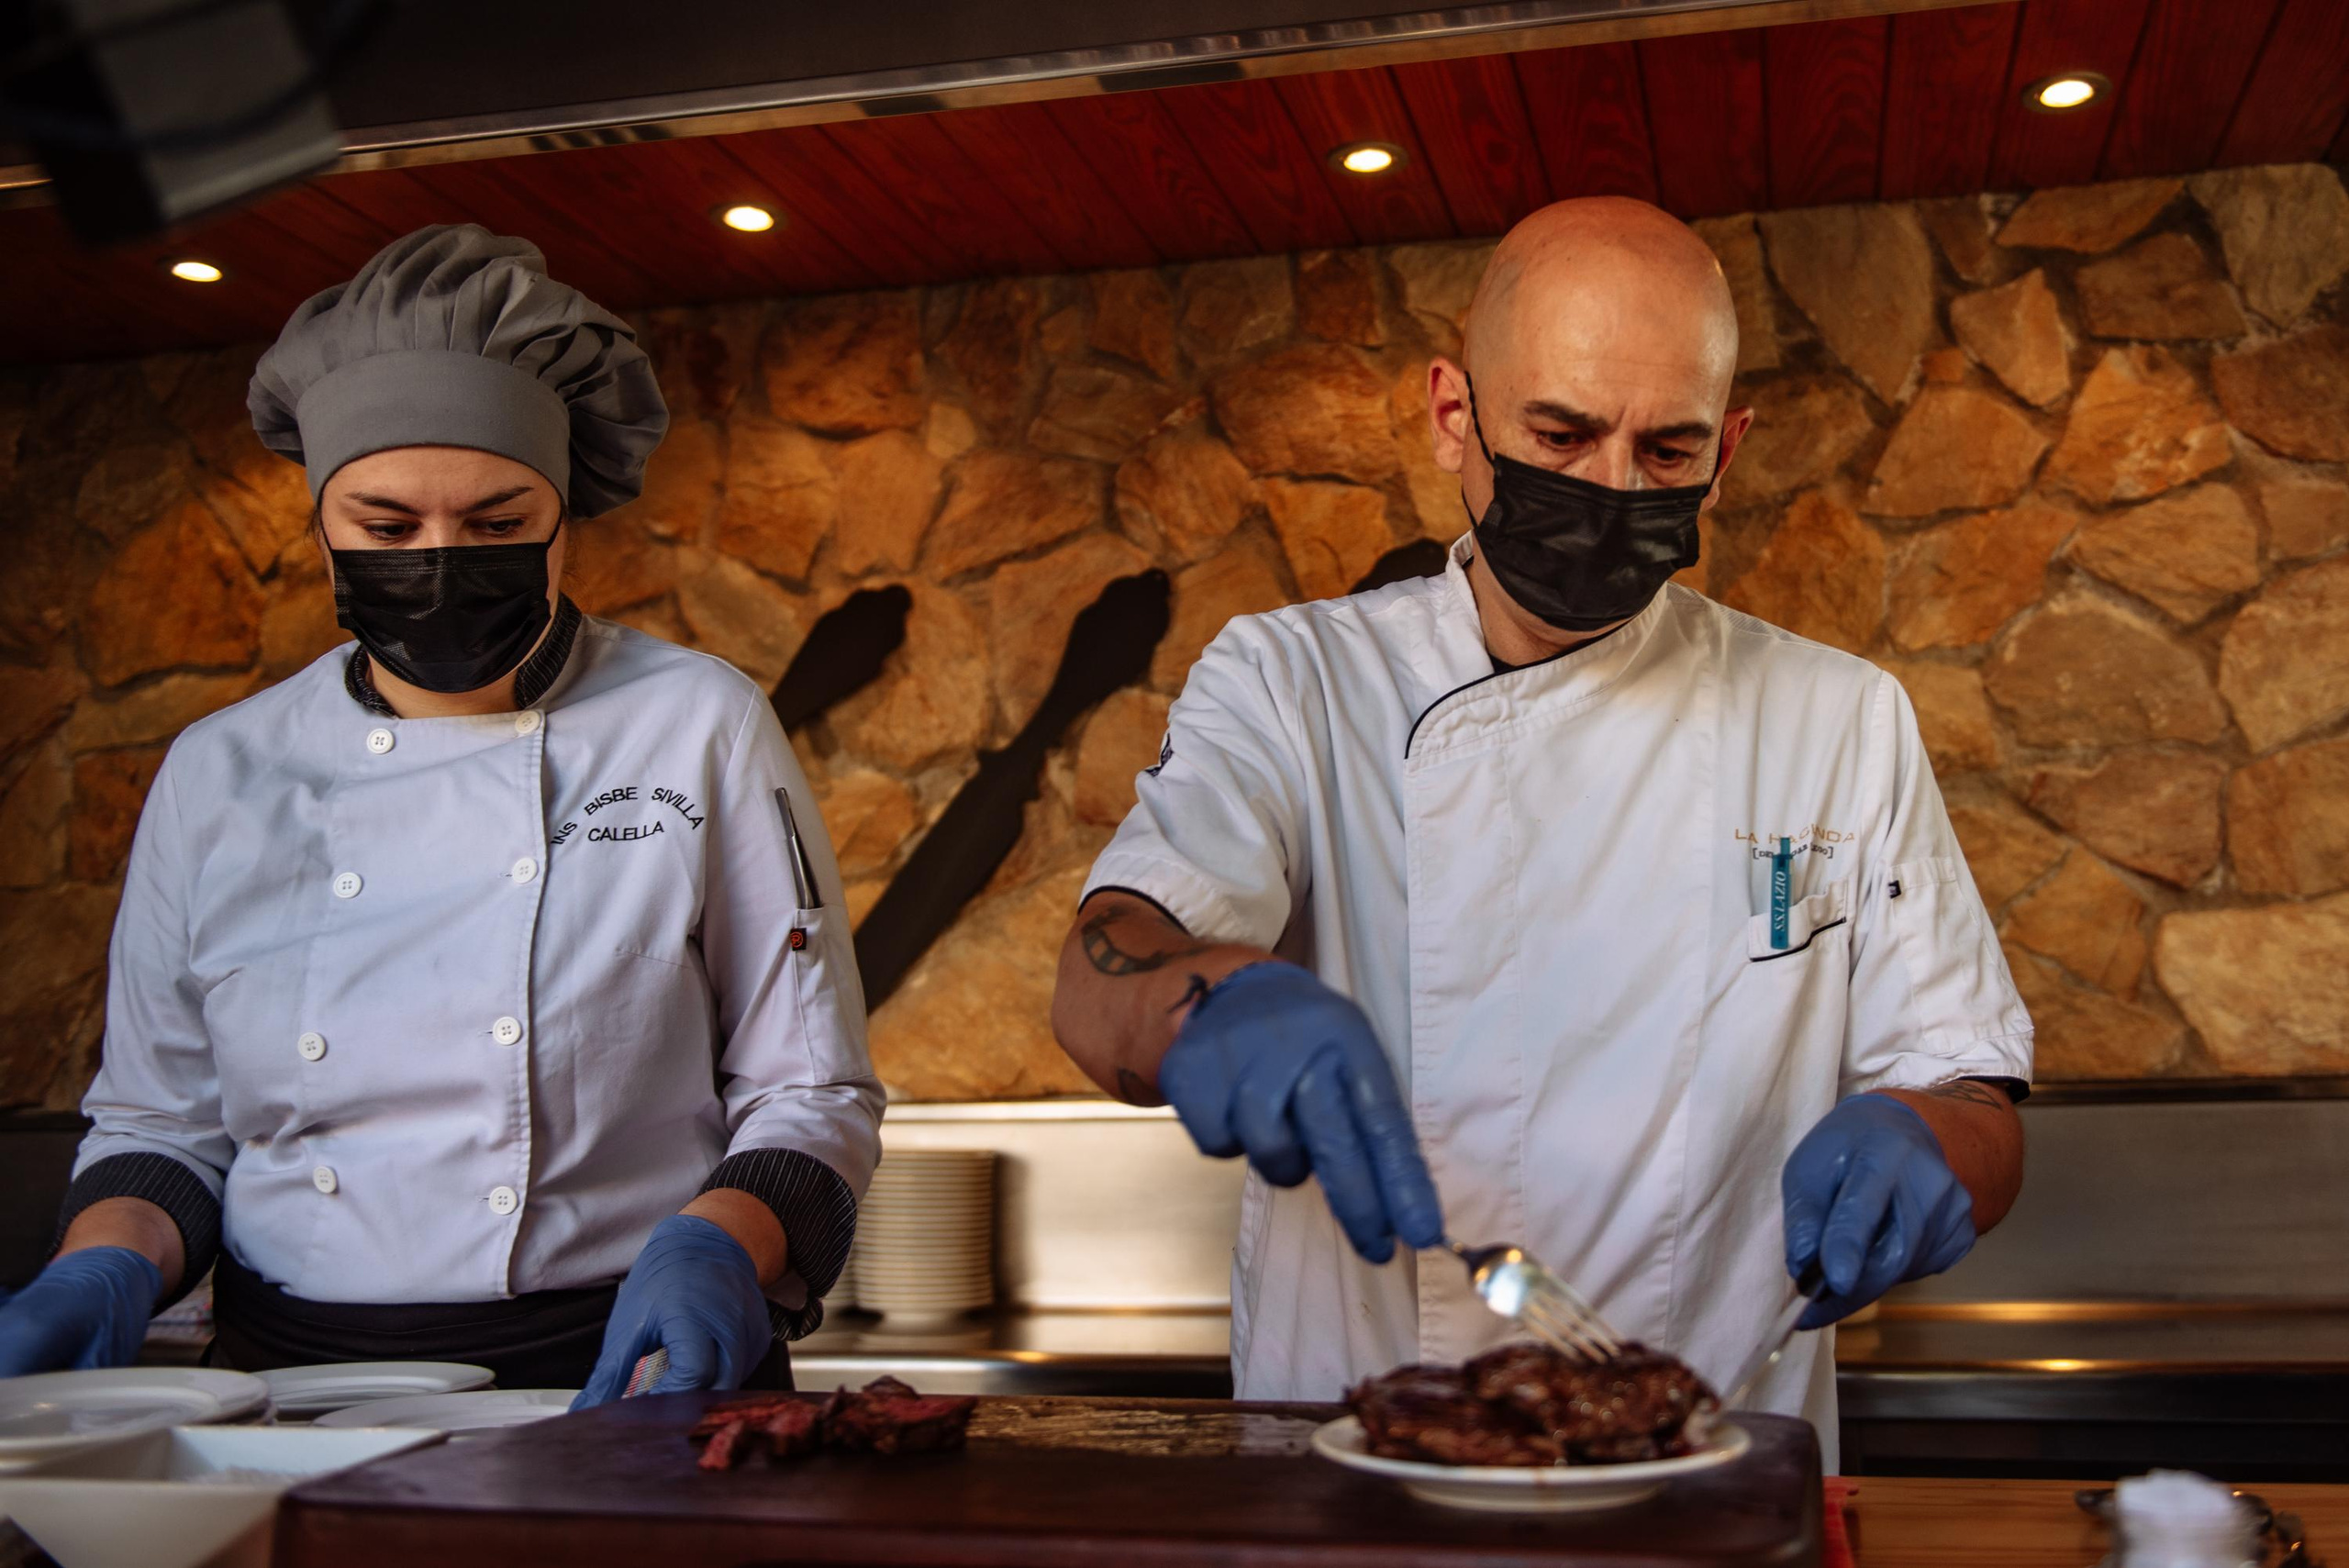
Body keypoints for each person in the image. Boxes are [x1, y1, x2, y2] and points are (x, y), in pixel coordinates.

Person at [1052, 196, 2030, 1462]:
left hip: (1703, 1480)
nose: (1612, 489)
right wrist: (1208, 1002)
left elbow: (1978, 1098)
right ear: (1454, 411)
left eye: (1668, 452)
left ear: (1730, 444)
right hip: (1355, 1482)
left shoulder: (1838, 718)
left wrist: (1934, 1145)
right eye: (1560, 433)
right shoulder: (1295, 681)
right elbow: (1101, 971)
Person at [0, 227, 881, 1403]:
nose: (444, 560)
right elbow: (164, 1121)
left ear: (566, 511)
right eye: (387, 527)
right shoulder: (221, 769)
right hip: (283, 1392)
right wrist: (99, 1261)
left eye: (499, 521)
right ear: (320, 520)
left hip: (625, 1366)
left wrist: (725, 1235)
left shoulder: (694, 721)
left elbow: (809, 1083)